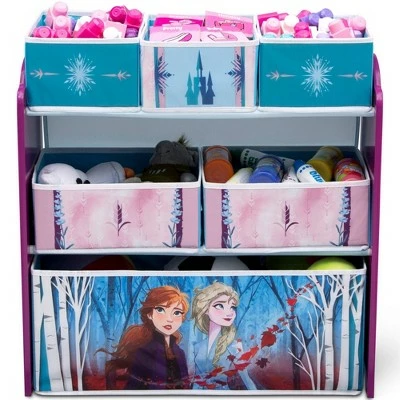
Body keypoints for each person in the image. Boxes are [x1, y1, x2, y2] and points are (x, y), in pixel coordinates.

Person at [104, 286, 190, 390]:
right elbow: (133, 389)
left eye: (177, 313)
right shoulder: (144, 352)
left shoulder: (180, 353)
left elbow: (186, 387)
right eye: (160, 310)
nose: (169, 319)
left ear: (182, 318)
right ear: (149, 314)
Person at [191, 281, 257, 390]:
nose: (229, 312)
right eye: (220, 305)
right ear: (205, 309)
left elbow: (247, 380)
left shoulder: (234, 346)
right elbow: (196, 382)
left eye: (232, 307)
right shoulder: (197, 347)